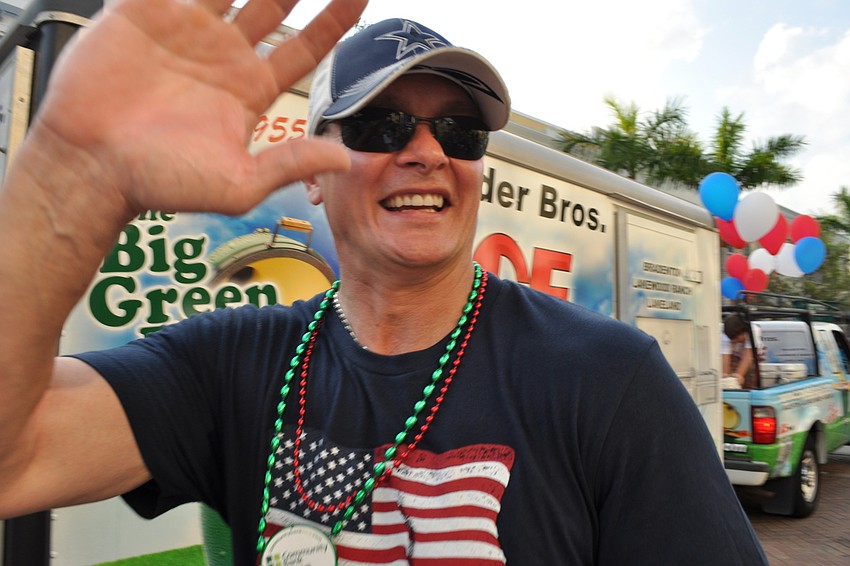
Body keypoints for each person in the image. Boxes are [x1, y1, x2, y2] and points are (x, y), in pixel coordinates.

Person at [0, 1, 768, 564]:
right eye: (381, 125)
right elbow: (18, 457)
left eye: (459, 131)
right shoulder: (230, 365)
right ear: (310, 173)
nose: (428, 152)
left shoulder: (607, 376)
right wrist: (75, 173)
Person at [722, 313, 764, 388]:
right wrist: (726, 378)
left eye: (738, 339)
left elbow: (748, 355)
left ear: (744, 332)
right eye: (733, 340)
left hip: (752, 357)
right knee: (728, 379)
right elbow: (725, 357)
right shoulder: (724, 336)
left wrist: (739, 375)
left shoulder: (753, 330)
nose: (735, 342)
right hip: (734, 356)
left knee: (750, 380)